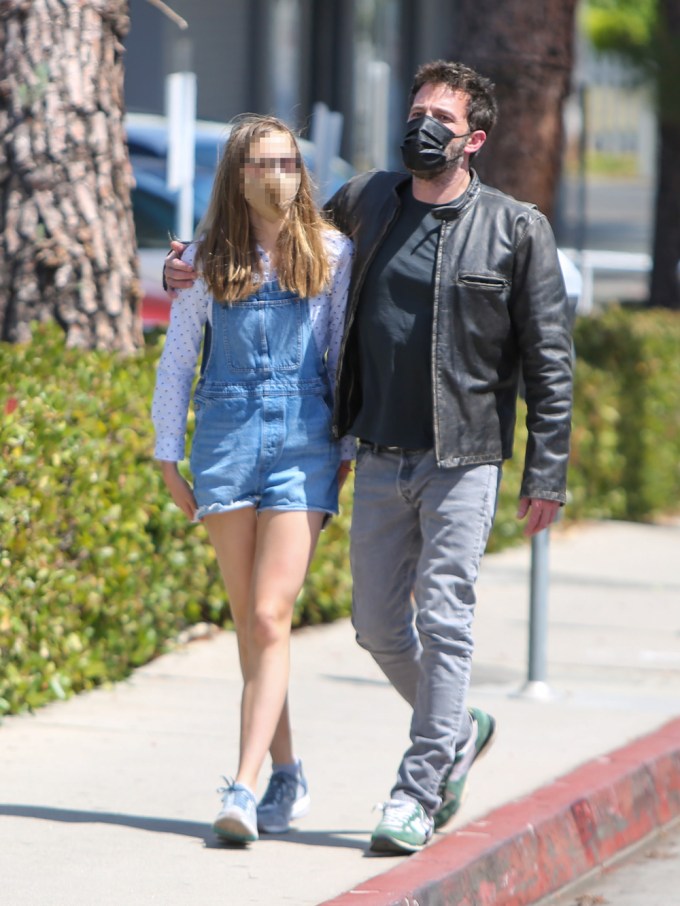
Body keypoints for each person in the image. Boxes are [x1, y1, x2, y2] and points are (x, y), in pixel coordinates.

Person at [163, 61, 573, 856]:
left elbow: (550, 359)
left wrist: (545, 471)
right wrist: (188, 257)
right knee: (380, 629)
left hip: (464, 454)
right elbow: (275, 232)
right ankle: (459, 728)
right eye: (417, 110)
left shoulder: (516, 229)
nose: (422, 126)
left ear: (474, 139)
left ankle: (416, 792)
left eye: (441, 120)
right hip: (379, 453)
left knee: (445, 623)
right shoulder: (370, 202)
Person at [152, 114, 353, 845]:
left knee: (270, 616)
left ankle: (240, 787)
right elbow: (178, 361)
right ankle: (289, 770)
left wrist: (346, 447)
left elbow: (338, 358)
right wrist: (167, 455)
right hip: (225, 443)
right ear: (237, 176)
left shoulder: (331, 252)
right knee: (252, 626)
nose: (279, 176)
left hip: (304, 441)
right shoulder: (206, 259)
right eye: (264, 164)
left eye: (289, 162)